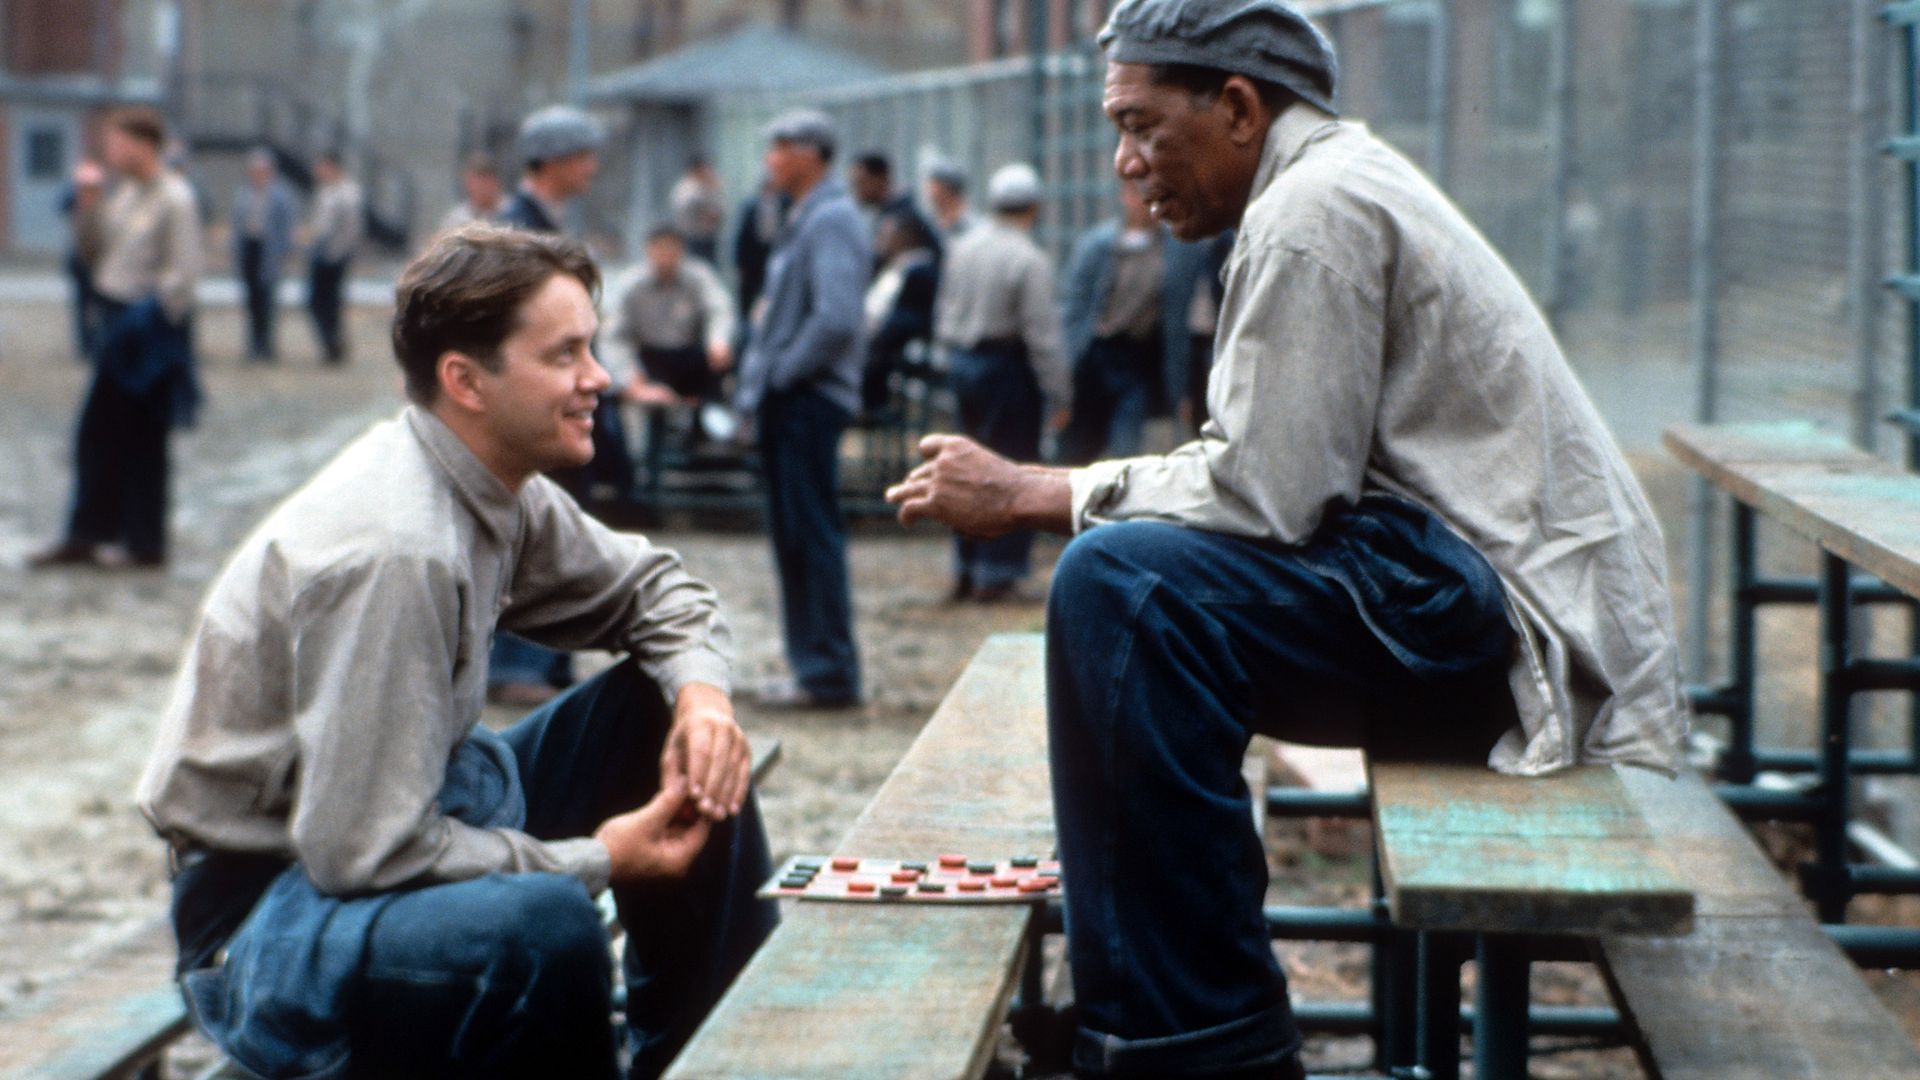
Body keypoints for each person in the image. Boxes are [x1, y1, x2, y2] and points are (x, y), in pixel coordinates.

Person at [886, 2, 1686, 1075]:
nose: (1126, 164)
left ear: (1237, 106)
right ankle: (1156, 1017)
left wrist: (1037, 488)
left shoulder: (1312, 211)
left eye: (1140, 125)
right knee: (1134, 597)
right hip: (1466, 596)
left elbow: (1268, 494)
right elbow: (1279, 484)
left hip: (1512, 638)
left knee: (1127, 590)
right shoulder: (1322, 183)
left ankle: (1200, 1042)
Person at [137, 223, 777, 1080]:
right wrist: (601, 858)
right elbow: (365, 853)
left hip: (400, 817)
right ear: (466, 381)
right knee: (548, 927)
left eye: (592, 347)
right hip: (269, 916)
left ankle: (711, 1063)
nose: (600, 379)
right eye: (566, 355)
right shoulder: (397, 552)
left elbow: (655, 589)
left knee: (670, 725)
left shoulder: (489, 480)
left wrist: (703, 702)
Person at [734, 109, 869, 709]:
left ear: (813, 154)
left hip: (807, 400)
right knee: (794, 536)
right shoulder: (805, 216)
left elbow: (836, 318)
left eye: (780, 148)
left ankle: (828, 673)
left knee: (810, 535)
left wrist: (782, 375)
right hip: (792, 399)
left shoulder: (831, 218)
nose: (770, 160)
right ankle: (814, 667)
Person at [31, 107, 202, 572]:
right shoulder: (124, 194)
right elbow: (93, 254)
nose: (110, 152)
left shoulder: (175, 198)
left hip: (148, 332)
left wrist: (148, 319)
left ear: (142, 144)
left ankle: (144, 544)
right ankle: (91, 532)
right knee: (100, 432)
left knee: (144, 437)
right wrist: (86, 204)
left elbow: (183, 276)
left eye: (117, 142)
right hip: (116, 323)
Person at [490, 104, 618, 705]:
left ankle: (549, 662)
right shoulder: (518, 231)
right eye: (584, 156)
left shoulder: (543, 225)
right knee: (531, 533)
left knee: (558, 530)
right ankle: (521, 664)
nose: (593, 168)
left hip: (562, 400)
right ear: (556, 161)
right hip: (536, 405)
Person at [931, 162, 1071, 603]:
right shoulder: (1029, 259)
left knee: (962, 466)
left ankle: (966, 565)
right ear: (1033, 207)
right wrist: (1059, 392)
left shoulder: (963, 248)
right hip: (1008, 369)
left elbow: (945, 311)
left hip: (963, 363)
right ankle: (999, 570)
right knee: (1009, 468)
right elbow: (1042, 335)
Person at [1058, 180, 1209, 464]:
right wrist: (1067, 365)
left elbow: (1183, 317)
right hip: (1097, 355)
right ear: (1124, 196)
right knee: (1079, 444)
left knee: (1126, 442)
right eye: (1138, 196)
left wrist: (1183, 386)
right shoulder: (1098, 245)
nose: (1144, 205)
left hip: (1138, 357)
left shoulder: (1176, 249)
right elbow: (1074, 307)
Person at [601, 225, 736, 409]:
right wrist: (629, 379)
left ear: (682, 251)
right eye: (660, 248)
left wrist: (719, 340)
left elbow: (720, 309)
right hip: (650, 359)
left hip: (691, 358)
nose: (666, 255)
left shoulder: (698, 278)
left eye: (672, 248)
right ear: (648, 250)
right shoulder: (631, 285)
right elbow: (613, 335)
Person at [860, 208, 940, 415]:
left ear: (906, 237)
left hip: (894, 347)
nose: (882, 241)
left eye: (888, 235)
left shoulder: (920, 269)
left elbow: (906, 319)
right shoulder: (894, 267)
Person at [230, 149, 297, 363]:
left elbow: (287, 227)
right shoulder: (243, 194)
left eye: (261, 170)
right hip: (249, 248)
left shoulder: (280, 195)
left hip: (269, 252)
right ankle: (253, 344)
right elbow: (237, 225)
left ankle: (267, 346)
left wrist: (283, 252)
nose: (257, 174)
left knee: (267, 300)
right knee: (251, 300)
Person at [304, 151, 362, 365]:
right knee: (316, 301)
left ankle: (333, 344)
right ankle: (330, 343)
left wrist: (339, 254)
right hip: (321, 252)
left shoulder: (348, 193)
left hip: (335, 255)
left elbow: (351, 229)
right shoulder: (325, 191)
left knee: (329, 302)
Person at [849, 151, 939, 274]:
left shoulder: (900, 219)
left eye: (860, 183)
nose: (856, 191)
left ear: (880, 179)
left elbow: (879, 265)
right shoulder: (894, 212)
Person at [60, 156, 109, 359]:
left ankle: (98, 345)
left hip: (99, 262)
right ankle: (85, 347)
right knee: (82, 307)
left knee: (100, 307)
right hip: (81, 262)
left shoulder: (104, 206)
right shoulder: (75, 203)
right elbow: (61, 204)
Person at [669, 154, 727, 264]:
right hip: (689, 238)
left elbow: (720, 210)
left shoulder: (713, 186)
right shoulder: (685, 188)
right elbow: (686, 206)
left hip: (708, 237)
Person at [437, 151, 505, 232]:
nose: (482, 188)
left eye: (486, 181)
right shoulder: (455, 220)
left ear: (497, 183)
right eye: (477, 182)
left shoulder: (514, 212)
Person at [922, 159, 975, 241]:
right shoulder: (928, 223)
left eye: (933, 186)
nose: (928, 191)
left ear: (947, 189)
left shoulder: (972, 225)